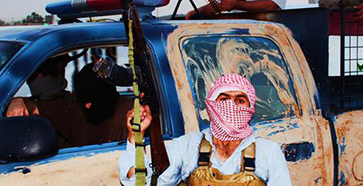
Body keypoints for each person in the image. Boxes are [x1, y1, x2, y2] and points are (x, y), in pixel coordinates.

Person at [119, 74, 292, 186]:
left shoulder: (268, 152)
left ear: (250, 108)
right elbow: (136, 181)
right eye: (224, 99)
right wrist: (136, 135)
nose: (231, 106)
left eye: (240, 100)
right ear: (211, 106)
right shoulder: (188, 146)